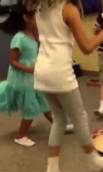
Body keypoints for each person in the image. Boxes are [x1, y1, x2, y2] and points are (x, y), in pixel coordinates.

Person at [29, 0, 103, 172]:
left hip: (42, 71)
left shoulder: (39, 6)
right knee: (79, 117)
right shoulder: (68, 9)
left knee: (59, 119)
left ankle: (52, 170)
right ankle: (93, 159)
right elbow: (87, 47)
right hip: (59, 73)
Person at [0, 5, 52, 147]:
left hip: (33, 77)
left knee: (44, 101)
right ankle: (20, 136)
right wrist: (30, 69)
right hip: (22, 79)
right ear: (26, 18)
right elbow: (13, 61)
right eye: (34, 16)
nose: (37, 19)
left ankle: (58, 124)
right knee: (30, 107)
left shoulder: (33, 34)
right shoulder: (19, 38)